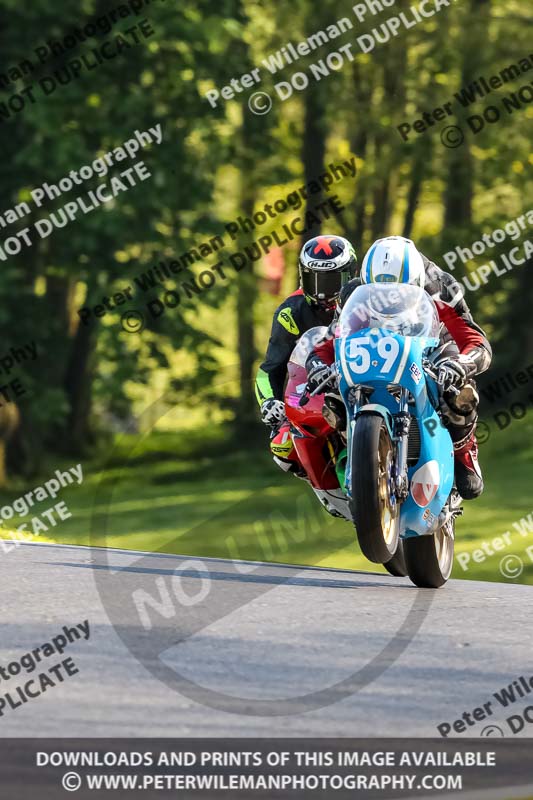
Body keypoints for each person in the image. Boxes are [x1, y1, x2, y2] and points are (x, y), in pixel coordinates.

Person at [305, 235, 492, 499]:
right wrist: (317, 365)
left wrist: (462, 363)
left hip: (432, 345)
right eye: (378, 293)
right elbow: (331, 341)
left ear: (415, 281)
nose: (390, 300)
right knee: (332, 396)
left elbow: (474, 338)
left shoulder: (441, 286)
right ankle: (355, 452)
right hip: (375, 351)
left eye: (397, 292)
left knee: (460, 394)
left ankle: (464, 452)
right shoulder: (353, 292)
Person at [255, 234, 357, 473]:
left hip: (364, 377)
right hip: (314, 389)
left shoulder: (367, 298)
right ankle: (322, 476)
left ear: (350, 275)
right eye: (316, 281)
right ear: (303, 276)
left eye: (333, 281)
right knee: (281, 446)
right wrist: (269, 402)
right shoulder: (290, 312)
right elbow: (269, 369)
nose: (323, 292)